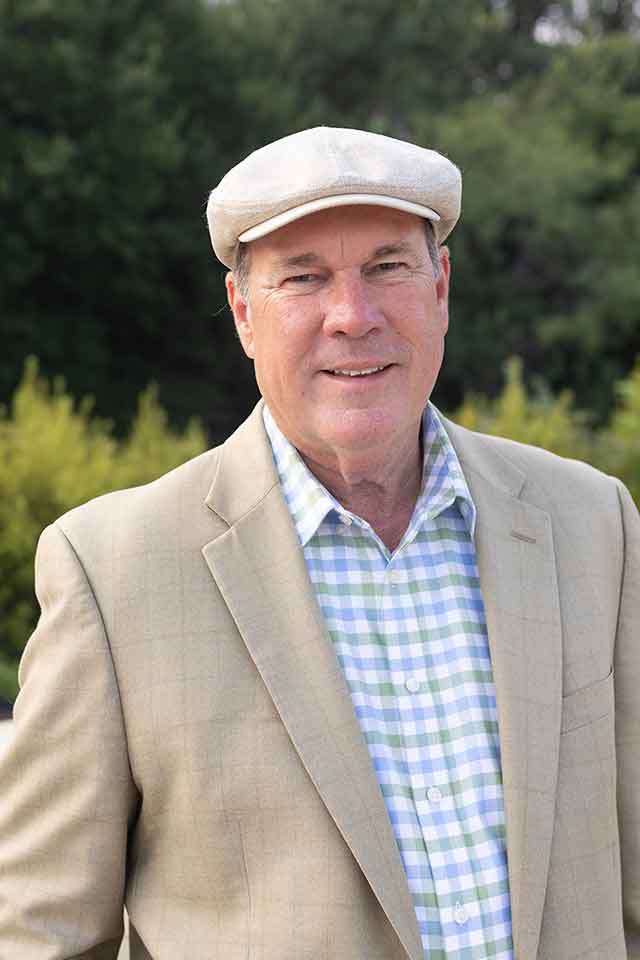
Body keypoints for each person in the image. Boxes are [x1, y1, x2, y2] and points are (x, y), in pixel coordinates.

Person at [0, 126, 638, 960]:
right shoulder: (111, 574)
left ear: (441, 288)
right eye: (303, 278)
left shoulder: (595, 523)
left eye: (387, 267)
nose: (353, 316)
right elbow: (40, 936)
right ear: (243, 314)